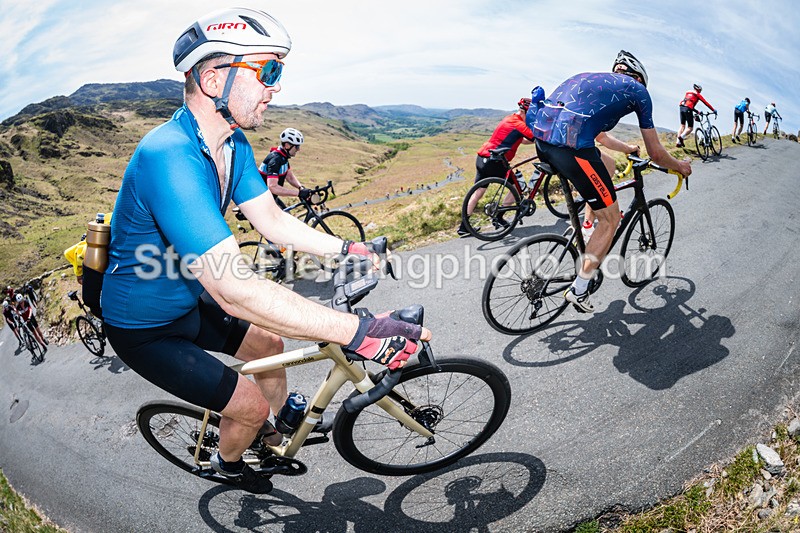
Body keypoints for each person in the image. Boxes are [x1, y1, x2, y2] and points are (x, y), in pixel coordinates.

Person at [100, 7, 430, 494]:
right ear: (214, 79)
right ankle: (228, 464)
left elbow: (273, 221)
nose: (276, 87)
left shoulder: (232, 145)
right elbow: (234, 288)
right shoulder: (166, 154)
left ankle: (276, 428)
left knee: (271, 345)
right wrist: (363, 332)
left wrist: (347, 248)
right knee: (248, 405)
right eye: (268, 71)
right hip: (145, 328)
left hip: (188, 302)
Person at [529, 50, 692, 313]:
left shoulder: (592, 80)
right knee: (612, 219)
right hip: (572, 150)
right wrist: (680, 166)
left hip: (543, 143)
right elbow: (656, 153)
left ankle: (586, 226)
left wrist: (627, 149)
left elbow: (602, 139)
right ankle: (579, 290)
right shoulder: (637, 90)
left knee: (606, 165)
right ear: (639, 77)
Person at [457, 98, 535, 237]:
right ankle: (498, 216)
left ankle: (464, 227)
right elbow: (533, 136)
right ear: (526, 113)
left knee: (478, 193)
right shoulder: (518, 124)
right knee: (517, 187)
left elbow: (522, 139)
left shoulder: (511, 119)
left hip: (483, 158)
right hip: (495, 162)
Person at [258, 127, 310, 209]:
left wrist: (301, 187)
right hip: (260, 201)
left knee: (287, 214)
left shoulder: (283, 157)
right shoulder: (275, 159)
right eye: (296, 147)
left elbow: (289, 176)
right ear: (287, 145)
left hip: (270, 198)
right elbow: (272, 187)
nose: (299, 149)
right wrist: (298, 193)